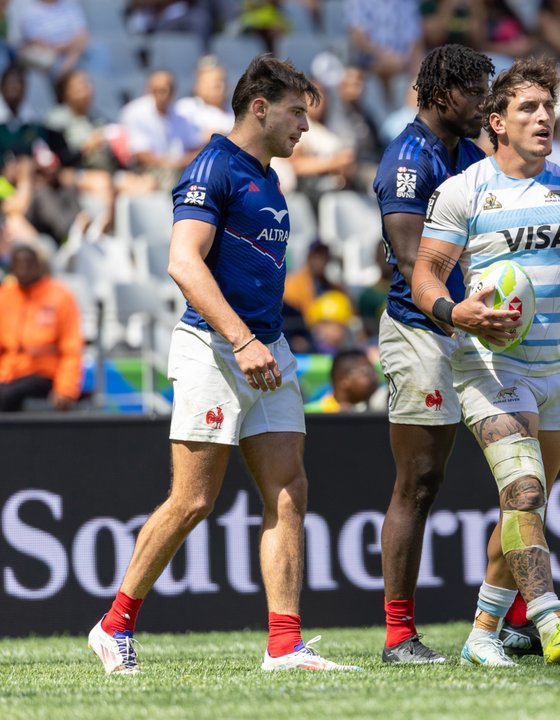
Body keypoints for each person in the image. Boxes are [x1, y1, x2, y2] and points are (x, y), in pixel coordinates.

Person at [87, 54, 357, 674]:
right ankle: (113, 625)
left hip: (269, 351)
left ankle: (284, 645)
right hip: (216, 348)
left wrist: (263, 342)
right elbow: (183, 262)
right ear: (259, 108)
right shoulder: (213, 166)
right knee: (193, 500)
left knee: (288, 490)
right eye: (296, 113)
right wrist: (240, 340)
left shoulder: (270, 176)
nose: (305, 127)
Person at [412, 55, 560, 666]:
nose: (544, 116)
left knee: (525, 505)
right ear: (497, 121)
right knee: (523, 490)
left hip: (555, 372)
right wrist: (456, 312)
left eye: (549, 106)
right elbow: (425, 275)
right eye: (528, 107)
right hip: (490, 369)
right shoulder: (465, 190)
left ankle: (481, 635)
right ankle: (550, 621)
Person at [372, 43, 494, 664]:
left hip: (474, 327)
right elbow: (411, 263)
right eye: (474, 92)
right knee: (418, 482)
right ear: (442, 93)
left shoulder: (470, 156)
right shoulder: (407, 161)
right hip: (422, 330)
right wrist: (456, 313)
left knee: (521, 469)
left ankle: (517, 616)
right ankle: (398, 635)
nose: (484, 104)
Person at [0, 236, 83, 411]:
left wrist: (65, 389)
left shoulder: (59, 297)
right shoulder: (5, 296)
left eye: (28, 262)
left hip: (43, 373)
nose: (23, 268)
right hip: (7, 374)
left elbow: (71, 349)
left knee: (8, 396)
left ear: (39, 264)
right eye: (18, 263)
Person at [304, 348, 387, 413]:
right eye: (368, 373)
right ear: (343, 379)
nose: (376, 377)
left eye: (375, 372)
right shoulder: (310, 414)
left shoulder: (377, 412)